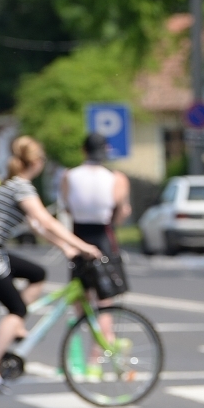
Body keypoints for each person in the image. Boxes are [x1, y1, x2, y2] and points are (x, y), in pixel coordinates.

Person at [0, 136, 101, 393]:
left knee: (37, 273)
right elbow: (46, 220)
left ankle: (15, 324)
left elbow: (36, 226)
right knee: (17, 307)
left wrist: (65, 247)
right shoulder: (21, 187)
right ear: (35, 162)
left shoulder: (12, 184)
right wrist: (83, 246)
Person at [60, 132, 131, 380]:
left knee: (81, 303)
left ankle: (77, 358)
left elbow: (68, 207)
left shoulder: (69, 176)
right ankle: (95, 361)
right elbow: (121, 211)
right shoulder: (116, 178)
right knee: (105, 305)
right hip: (104, 239)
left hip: (79, 238)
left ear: (83, 151)